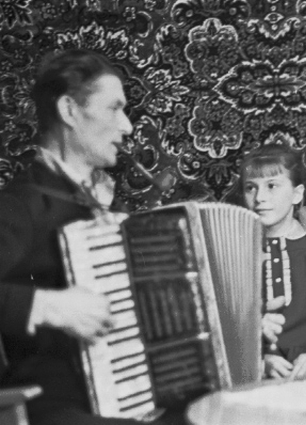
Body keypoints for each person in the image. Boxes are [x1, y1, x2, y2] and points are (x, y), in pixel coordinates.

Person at [0, 49, 181, 425]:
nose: (128, 126)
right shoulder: (22, 204)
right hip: (57, 409)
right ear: (69, 110)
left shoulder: (105, 209)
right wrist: (48, 305)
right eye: (114, 108)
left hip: (130, 400)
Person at [241, 143, 306, 380]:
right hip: (255, 372)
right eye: (251, 188)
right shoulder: (238, 254)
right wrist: (261, 360)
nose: (260, 198)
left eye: (272, 186)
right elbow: (230, 326)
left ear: (297, 194)